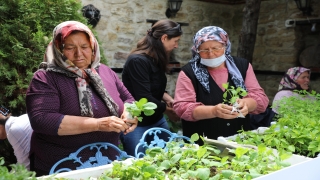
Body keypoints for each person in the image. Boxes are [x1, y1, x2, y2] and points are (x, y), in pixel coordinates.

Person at [26, 21, 138, 176]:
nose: (79, 53)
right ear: (58, 49)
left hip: (108, 161)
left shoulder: (104, 71)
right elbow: (42, 120)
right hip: (62, 166)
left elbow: (129, 99)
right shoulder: (46, 77)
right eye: (70, 48)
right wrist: (98, 124)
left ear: (93, 48)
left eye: (84, 47)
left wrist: (130, 114)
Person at [173, 26, 269, 144]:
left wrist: (247, 104)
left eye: (216, 48)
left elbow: (261, 98)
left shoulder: (242, 66)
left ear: (225, 46)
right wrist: (213, 111)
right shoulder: (189, 72)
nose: (211, 54)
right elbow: (182, 107)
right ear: (196, 50)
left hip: (239, 138)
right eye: (204, 50)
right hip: (202, 141)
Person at [121, 19, 182, 156]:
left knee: (168, 158)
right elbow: (144, 97)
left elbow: (154, 86)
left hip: (157, 119)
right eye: (176, 41)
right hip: (136, 123)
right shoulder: (137, 61)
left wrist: (167, 98)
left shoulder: (155, 59)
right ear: (164, 38)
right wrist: (169, 111)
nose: (177, 46)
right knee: (137, 163)